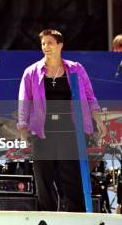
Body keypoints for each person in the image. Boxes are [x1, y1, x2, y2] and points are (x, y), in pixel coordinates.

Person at [18, 29, 106, 212]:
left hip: (69, 128)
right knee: (43, 177)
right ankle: (48, 218)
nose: (46, 47)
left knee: (71, 175)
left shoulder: (76, 68)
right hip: (42, 130)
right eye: (43, 43)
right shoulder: (31, 72)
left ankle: (76, 217)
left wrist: (98, 119)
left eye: (50, 43)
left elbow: (90, 96)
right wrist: (23, 127)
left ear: (60, 45)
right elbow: (24, 101)